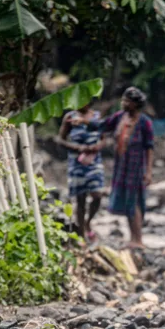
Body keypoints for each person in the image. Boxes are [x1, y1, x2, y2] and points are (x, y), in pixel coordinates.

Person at [103, 87, 154, 249]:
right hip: (121, 166)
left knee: (135, 202)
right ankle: (132, 237)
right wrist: (84, 122)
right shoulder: (119, 117)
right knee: (126, 201)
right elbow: (103, 126)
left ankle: (138, 239)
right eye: (123, 100)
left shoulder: (145, 122)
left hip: (136, 167)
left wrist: (148, 171)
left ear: (134, 104)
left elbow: (149, 148)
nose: (123, 103)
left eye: (126, 101)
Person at [55, 102, 104, 242]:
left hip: (94, 161)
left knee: (97, 195)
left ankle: (88, 223)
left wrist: (95, 148)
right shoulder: (70, 117)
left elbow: (103, 138)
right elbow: (60, 139)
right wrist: (77, 148)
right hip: (76, 163)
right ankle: (81, 234)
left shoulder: (96, 117)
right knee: (80, 199)